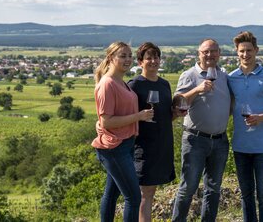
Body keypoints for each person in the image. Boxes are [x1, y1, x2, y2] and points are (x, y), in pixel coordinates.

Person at [91, 41, 154, 222]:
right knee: (133, 198)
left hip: (125, 144)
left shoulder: (120, 81)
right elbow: (106, 121)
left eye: (129, 56)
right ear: (111, 58)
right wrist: (139, 116)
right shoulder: (107, 84)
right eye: (122, 56)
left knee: (111, 195)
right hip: (114, 148)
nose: (127, 60)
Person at [228, 31, 263, 222]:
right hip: (240, 146)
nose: (246, 54)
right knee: (246, 196)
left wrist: (261, 117)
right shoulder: (231, 78)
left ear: (256, 51)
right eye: (242, 51)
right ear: (237, 52)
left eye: (249, 50)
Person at [172, 38, 231, 222]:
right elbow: (177, 103)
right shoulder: (189, 75)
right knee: (188, 188)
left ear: (219, 53)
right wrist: (197, 89)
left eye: (213, 51)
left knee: (213, 189)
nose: (209, 55)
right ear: (199, 53)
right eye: (205, 51)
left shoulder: (224, 76)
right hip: (195, 140)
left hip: (220, 141)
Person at [128, 42, 181, 222]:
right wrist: (140, 117)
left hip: (162, 144)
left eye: (156, 57)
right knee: (145, 193)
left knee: (150, 192)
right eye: (148, 57)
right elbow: (128, 117)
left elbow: (164, 117)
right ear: (140, 62)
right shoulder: (134, 85)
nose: (153, 61)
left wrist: (175, 114)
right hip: (144, 146)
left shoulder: (165, 84)